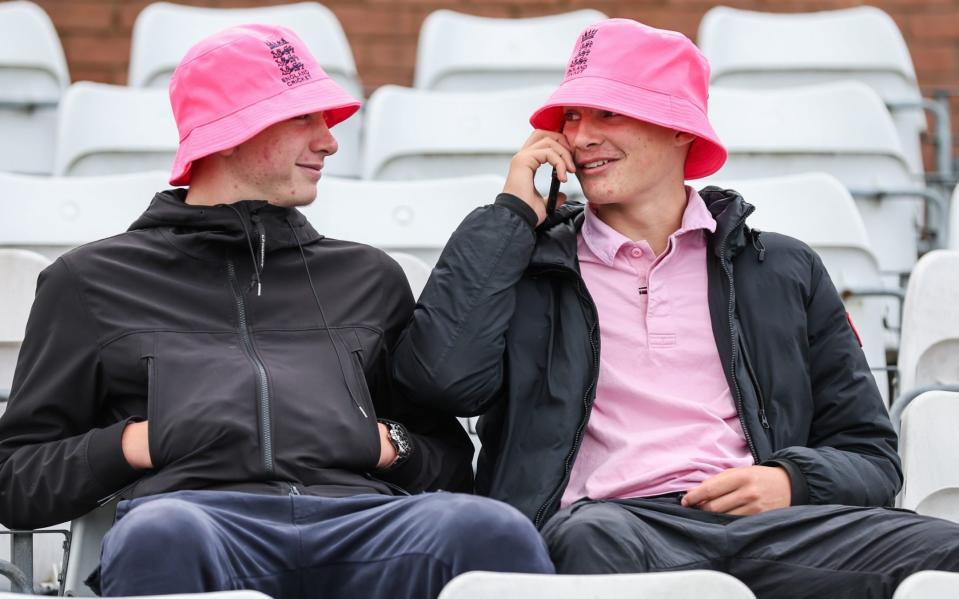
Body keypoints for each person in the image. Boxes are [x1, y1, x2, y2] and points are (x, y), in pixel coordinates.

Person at [392, 18, 959, 599]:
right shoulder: (524, 264)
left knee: (947, 548)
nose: (580, 137)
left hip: (771, 523)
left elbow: (870, 456)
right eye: (572, 118)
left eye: (607, 113)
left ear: (678, 128)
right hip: (614, 524)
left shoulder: (783, 269)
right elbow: (440, 381)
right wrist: (511, 213)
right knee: (592, 541)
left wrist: (790, 479)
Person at [0, 24, 553, 598]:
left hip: (364, 524)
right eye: (304, 118)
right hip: (201, 521)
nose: (330, 141)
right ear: (230, 131)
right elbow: (14, 481)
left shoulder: (368, 277)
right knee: (161, 533)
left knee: (489, 528)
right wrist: (140, 441)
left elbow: (447, 460)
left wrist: (386, 444)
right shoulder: (89, 282)